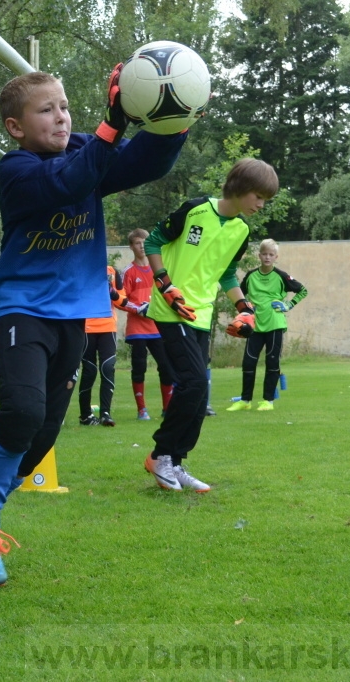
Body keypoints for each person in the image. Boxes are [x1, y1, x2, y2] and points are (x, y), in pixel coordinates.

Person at [0, 66, 187, 587]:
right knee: (23, 411)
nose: (61, 117)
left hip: (74, 313)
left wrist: (175, 119)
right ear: (16, 126)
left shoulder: (84, 148)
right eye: (46, 109)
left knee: (42, 435)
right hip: (21, 308)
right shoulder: (16, 169)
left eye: (65, 106)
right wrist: (111, 123)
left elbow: (141, 163)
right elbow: (70, 180)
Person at [142, 158, 278, 493]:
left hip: (201, 314)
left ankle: (174, 460)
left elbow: (227, 274)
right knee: (193, 383)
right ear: (240, 187)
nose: (261, 204)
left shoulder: (242, 231)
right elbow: (153, 242)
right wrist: (165, 283)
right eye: (258, 196)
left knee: (199, 391)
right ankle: (160, 455)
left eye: (265, 198)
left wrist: (243, 307)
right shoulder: (195, 210)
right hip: (171, 308)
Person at [228, 239, 308, 412]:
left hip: (275, 324)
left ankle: (268, 401)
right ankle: (245, 400)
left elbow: (303, 290)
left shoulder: (281, 276)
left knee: (272, 363)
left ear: (276, 257)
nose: (267, 257)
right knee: (248, 362)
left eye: (271, 255)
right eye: (264, 254)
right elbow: (239, 295)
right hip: (255, 326)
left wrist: (288, 305)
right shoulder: (251, 276)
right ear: (259, 255)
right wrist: (245, 311)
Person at [119, 228, 173, 421]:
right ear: (131, 246)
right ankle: (142, 410)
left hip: (158, 328)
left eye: (144, 242)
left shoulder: (158, 269)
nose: (141, 246)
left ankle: (167, 409)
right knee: (139, 367)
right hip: (137, 330)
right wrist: (139, 308)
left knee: (166, 367)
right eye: (137, 243)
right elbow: (121, 299)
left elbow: (168, 292)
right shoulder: (128, 272)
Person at [77, 264, 124, 427]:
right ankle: (85, 416)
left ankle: (105, 414)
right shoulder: (81, 269)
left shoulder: (112, 271)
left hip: (108, 328)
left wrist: (112, 292)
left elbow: (123, 302)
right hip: (87, 327)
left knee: (107, 367)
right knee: (89, 370)